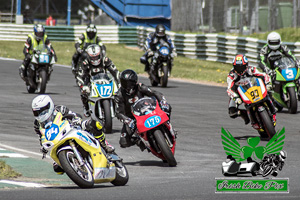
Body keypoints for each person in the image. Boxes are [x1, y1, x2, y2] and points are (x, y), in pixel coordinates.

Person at [31, 94, 114, 174]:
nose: (40, 114)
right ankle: (74, 166)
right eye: (37, 113)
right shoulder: (37, 124)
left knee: (94, 124)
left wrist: (76, 119)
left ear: (49, 106)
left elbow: (74, 115)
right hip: (56, 141)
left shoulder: (60, 109)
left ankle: (104, 144)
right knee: (57, 169)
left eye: (42, 111)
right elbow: (41, 136)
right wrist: (43, 147)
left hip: (72, 128)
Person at [114, 69, 171, 148]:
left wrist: (163, 102)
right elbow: (118, 112)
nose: (127, 86)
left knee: (168, 107)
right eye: (124, 83)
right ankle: (140, 141)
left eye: (129, 83)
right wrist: (127, 120)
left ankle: (168, 125)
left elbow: (155, 93)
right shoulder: (119, 95)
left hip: (146, 111)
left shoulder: (140, 87)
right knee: (123, 142)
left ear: (134, 82)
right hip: (132, 118)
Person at [227, 54, 276, 125]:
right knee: (232, 112)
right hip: (239, 93)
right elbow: (229, 89)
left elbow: (264, 75)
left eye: (242, 67)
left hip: (253, 88)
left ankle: (272, 105)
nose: (240, 69)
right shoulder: (231, 75)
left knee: (269, 91)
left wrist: (268, 83)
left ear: (246, 65)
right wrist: (235, 97)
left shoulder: (251, 69)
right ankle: (244, 114)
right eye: (237, 67)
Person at [78, 44, 120, 117]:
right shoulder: (85, 63)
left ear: (100, 54)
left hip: (105, 79)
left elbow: (115, 72)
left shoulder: (105, 60)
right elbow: (79, 76)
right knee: (83, 93)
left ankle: (119, 107)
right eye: (93, 58)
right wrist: (82, 86)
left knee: (119, 93)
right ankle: (86, 107)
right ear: (88, 56)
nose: (95, 59)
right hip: (90, 80)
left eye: (96, 57)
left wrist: (119, 83)